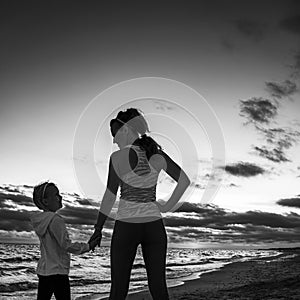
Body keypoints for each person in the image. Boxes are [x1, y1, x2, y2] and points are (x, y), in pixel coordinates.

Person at [89, 108, 191, 300]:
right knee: (159, 288)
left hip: (127, 225)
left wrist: (98, 229)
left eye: (115, 134)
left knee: (118, 290)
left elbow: (110, 195)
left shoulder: (118, 158)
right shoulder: (156, 154)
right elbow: (184, 180)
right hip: (154, 226)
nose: (113, 140)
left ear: (126, 130)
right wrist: (167, 207)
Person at [30, 181, 101, 300]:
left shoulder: (42, 221)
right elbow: (66, 245)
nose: (60, 197)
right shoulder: (55, 220)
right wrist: (88, 246)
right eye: (56, 195)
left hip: (44, 272)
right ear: (45, 201)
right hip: (58, 272)